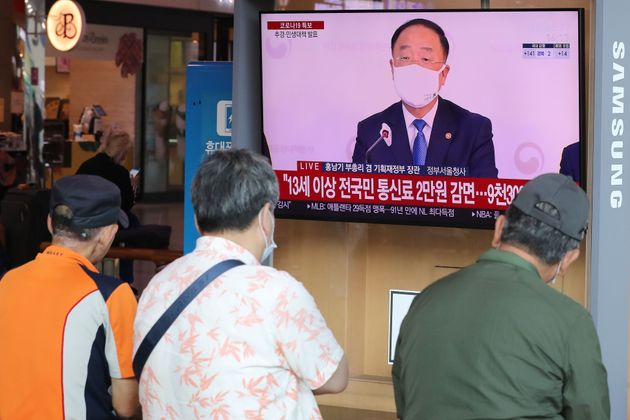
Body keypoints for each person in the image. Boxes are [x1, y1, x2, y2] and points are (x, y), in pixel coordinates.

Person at [134, 149, 348, 418]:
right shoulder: (277, 292)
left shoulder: (158, 284)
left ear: (197, 220)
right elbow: (334, 378)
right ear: (265, 217)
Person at [392, 173, 609, 419]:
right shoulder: (571, 321)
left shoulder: (425, 300)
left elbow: (405, 404)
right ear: (568, 258)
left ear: (499, 228)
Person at [0, 174, 139, 419]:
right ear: (109, 233)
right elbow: (126, 405)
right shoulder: (112, 295)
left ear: (50, 223)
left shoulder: (8, 281)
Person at [352, 18, 498, 178]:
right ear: (393, 68)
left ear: (443, 74)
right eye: (405, 58)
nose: (414, 68)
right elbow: (357, 194)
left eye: (426, 59)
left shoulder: (473, 129)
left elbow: (483, 197)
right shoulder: (371, 132)